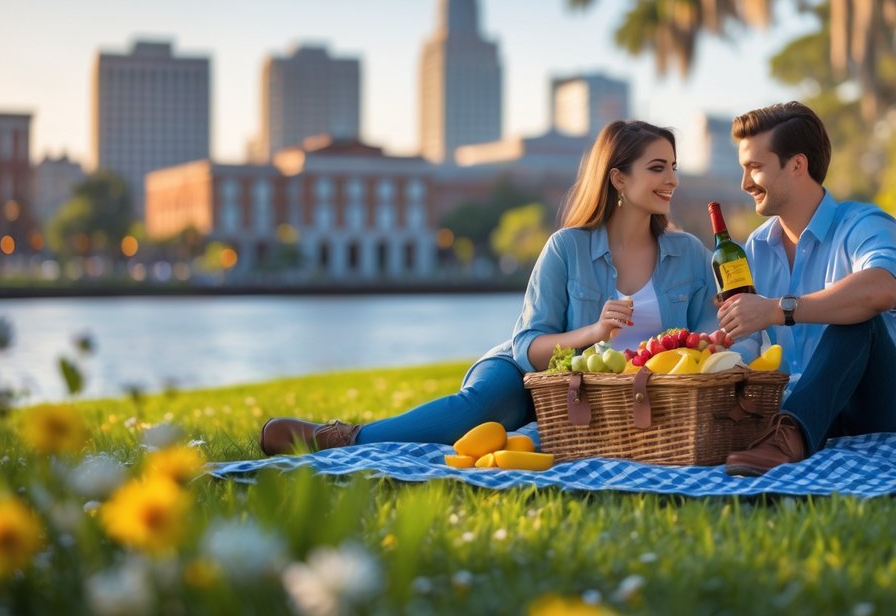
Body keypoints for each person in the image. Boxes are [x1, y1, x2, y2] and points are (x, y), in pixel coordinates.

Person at [259, 120, 721, 456]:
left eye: (674, 168)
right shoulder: (567, 247)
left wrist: (726, 335)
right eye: (658, 168)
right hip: (533, 372)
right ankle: (340, 439)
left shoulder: (691, 255)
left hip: (623, 397)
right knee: (485, 407)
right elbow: (528, 347)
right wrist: (592, 333)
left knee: (527, 447)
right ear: (619, 177)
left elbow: (709, 347)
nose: (673, 180)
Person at [717, 102, 896, 477]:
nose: (745, 183)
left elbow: (881, 289)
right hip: (799, 412)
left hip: (882, 416)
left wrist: (777, 309)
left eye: (755, 167)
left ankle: (790, 438)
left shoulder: (865, 224)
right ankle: (789, 434)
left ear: (797, 165)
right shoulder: (753, 249)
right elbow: (748, 345)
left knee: (858, 314)